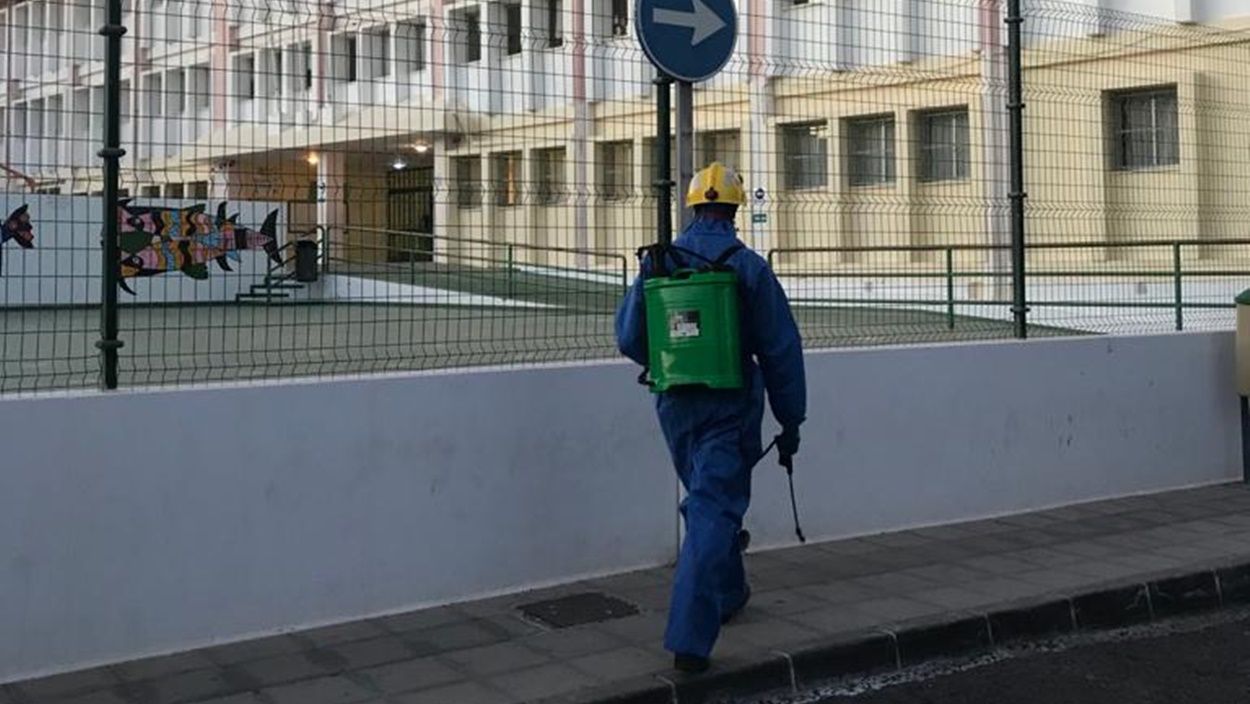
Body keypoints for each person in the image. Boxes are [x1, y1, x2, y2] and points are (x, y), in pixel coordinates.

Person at [615, 162, 807, 673]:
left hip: (674, 403)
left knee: (707, 501)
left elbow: (631, 339)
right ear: (735, 209)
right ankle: (690, 640)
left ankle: (730, 591)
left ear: (693, 206)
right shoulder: (748, 267)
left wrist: (672, 363)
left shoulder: (658, 262)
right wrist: (791, 420)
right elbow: (782, 350)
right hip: (729, 404)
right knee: (712, 511)